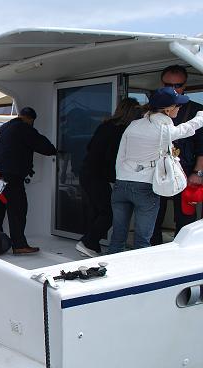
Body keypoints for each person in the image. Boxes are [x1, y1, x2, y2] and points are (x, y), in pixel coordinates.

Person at [109, 88, 203, 253]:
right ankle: (140, 274)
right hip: (145, 188)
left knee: (118, 236)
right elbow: (184, 131)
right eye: (178, 106)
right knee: (143, 240)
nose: (180, 108)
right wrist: (200, 118)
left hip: (122, 184)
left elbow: (120, 155)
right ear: (167, 109)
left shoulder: (134, 124)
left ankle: (111, 270)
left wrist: (121, 176)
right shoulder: (162, 128)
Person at [75, 98, 142, 257]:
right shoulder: (122, 130)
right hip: (97, 175)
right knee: (108, 212)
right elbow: (112, 157)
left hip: (87, 172)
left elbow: (90, 146)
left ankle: (92, 244)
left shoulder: (105, 125)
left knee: (97, 210)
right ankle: (88, 242)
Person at [0, 107, 57, 254]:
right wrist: (57, 150)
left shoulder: (4, 127)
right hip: (13, 177)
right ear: (30, 119)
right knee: (18, 210)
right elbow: (45, 147)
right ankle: (19, 245)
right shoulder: (24, 128)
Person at [151, 65, 203, 244]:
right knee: (154, 214)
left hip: (186, 170)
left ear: (185, 85)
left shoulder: (196, 110)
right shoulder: (152, 109)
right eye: (168, 84)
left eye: (178, 85)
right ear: (161, 84)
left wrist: (197, 173)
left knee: (185, 216)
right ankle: (153, 250)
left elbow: (202, 146)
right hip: (157, 170)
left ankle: (180, 252)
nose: (173, 89)